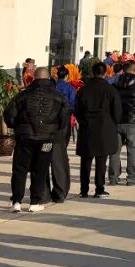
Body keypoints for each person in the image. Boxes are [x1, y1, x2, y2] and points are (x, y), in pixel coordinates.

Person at [3, 68, 69, 212]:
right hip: (47, 138)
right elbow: (64, 119)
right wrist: (54, 129)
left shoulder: (22, 95)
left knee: (19, 170)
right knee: (40, 170)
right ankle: (35, 202)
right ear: (49, 78)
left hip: (25, 137)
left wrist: (18, 126)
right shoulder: (58, 96)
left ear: (34, 78)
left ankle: (16, 201)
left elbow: (9, 115)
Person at [75, 63, 121, 198]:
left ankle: (84, 189)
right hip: (104, 128)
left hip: (87, 127)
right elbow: (117, 111)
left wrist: (82, 121)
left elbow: (77, 109)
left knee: (86, 160)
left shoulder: (83, 90)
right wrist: (113, 123)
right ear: (105, 73)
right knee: (101, 160)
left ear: (92, 72)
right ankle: (99, 188)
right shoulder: (110, 90)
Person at [111, 61, 135, 186]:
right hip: (133, 121)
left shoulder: (115, 84)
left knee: (115, 151)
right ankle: (131, 178)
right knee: (132, 150)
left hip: (117, 120)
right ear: (134, 69)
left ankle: (113, 177)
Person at [50, 66, 75, 202]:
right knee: (62, 143)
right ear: (67, 76)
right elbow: (72, 103)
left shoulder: (52, 86)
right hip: (65, 119)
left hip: (51, 120)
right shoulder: (69, 87)